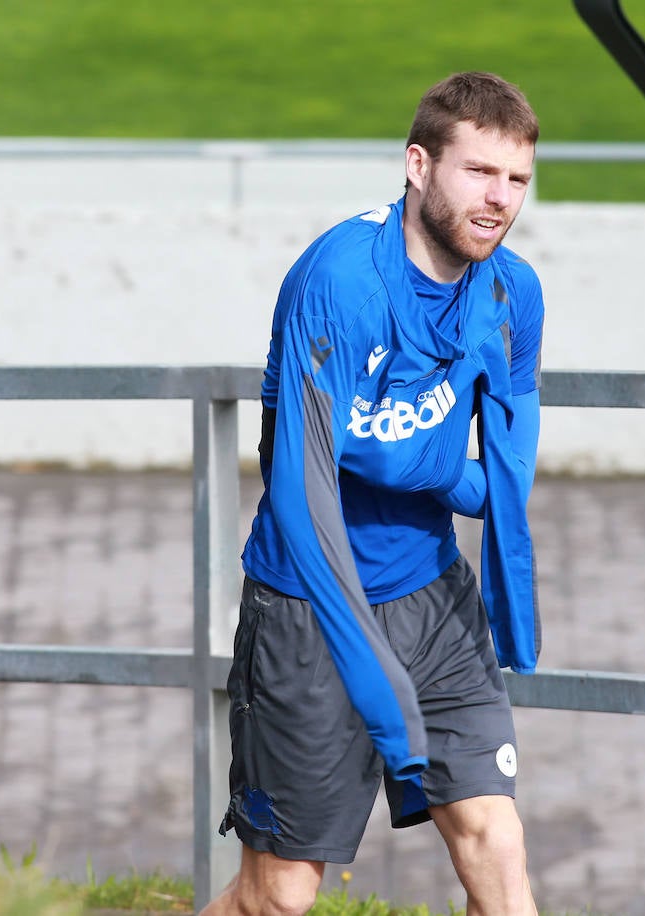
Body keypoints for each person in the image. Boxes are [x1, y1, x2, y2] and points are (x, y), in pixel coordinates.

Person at [201, 71, 544, 916]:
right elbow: (301, 493)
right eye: (479, 172)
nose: (500, 199)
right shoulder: (342, 281)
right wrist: (370, 665)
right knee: (276, 897)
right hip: (310, 610)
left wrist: (436, 476)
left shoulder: (512, 292)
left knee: (496, 850)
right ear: (419, 165)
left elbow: (507, 462)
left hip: (432, 600)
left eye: (518, 180)